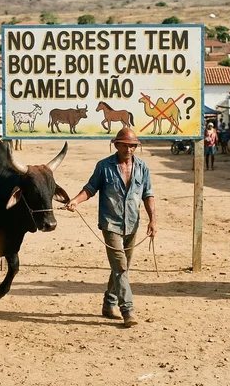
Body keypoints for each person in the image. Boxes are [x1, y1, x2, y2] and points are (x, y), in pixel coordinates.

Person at [65, 128, 156, 328]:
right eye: (125, 145)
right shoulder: (104, 166)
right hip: (110, 224)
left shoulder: (142, 167)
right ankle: (128, 311)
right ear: (116, 145)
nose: (129, 149)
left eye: (132, 146)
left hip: (132, 223)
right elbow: (90, 189)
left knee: (121, 267)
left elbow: (148, 194)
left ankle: (109, 303)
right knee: (121, 266)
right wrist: (75, 201)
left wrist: (153, 220)